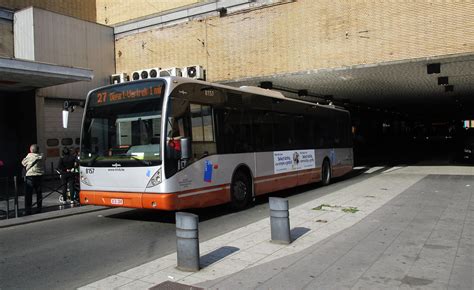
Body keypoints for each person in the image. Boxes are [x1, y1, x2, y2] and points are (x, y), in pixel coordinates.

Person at [21, 144, 44, 215]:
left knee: (28, 194)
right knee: (39, 193)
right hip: (39, 176)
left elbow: (23, 163)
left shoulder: (29, 156)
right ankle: (39, 208)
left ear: (31, 150)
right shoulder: (42, 156)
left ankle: (28, 210)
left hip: (30, 177)